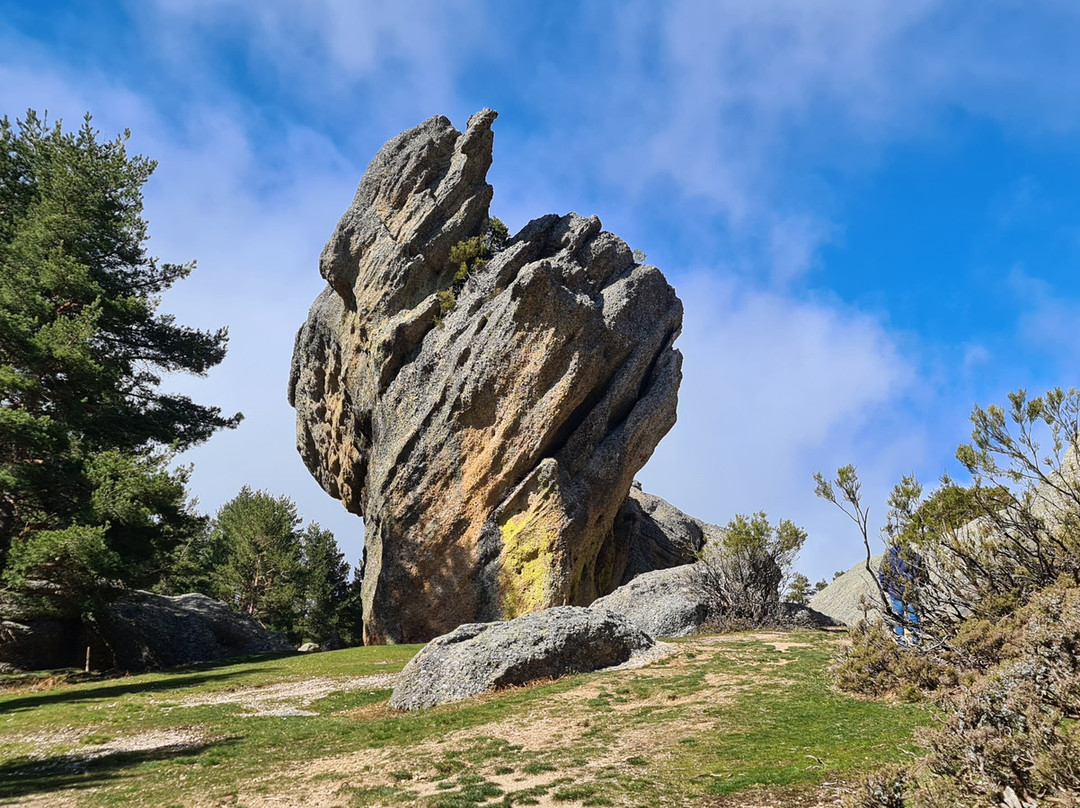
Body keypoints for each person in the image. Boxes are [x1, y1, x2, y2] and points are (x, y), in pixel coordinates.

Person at [880, 544, 923, 644]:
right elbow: (920, 569)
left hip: (895, 591)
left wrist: (888, 588)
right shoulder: (912, 554)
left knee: (898, 618)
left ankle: (901, 642)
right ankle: (917, 640)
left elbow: (882, 574)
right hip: (910, 590)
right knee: (913, 616)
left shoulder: (888, 556)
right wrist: (917, 583)